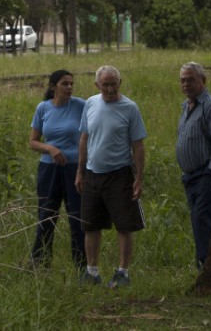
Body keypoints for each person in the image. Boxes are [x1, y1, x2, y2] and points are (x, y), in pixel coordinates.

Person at [75, 65, 147, 288]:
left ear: (120, 82)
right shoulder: (90, 103)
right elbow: (84, 139)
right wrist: (80, 171)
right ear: (97, 85)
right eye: (105, 84)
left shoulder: (130, 108)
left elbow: (138, 146)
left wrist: (139, 177)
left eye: (113, 84)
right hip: (93, 173)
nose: (109, 89)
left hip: (120, 174)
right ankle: (92, 272)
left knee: (124, 225)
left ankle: (123, 272)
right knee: (91, 225)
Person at [28, 69, 87, 270]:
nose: (69, 87)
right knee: (46, 216)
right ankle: (39, 264)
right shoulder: (43, 108)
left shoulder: (81, 105)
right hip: (49, 170)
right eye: (65, 83)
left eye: (71, 83)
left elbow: (90, 134)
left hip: (74, 169)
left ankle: (82, 267)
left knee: (77, 218)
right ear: (53, 87)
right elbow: (33, 142)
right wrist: (50, 148)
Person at [175, 61, 211, 269]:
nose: (186, 84)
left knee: (203, 219)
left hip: (205, 175)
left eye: (190, 80)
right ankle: (203, 262)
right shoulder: (186, 106)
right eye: (183, 81)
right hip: (190, 176)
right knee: (197, 220)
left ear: (203, 80)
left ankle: (207, 263)